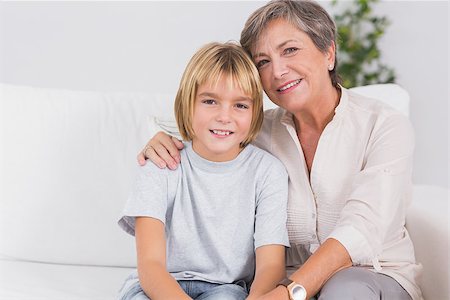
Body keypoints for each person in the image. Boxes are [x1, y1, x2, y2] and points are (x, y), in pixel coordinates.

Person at [138, 1, 423, 300]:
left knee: (345, 292)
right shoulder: (256, 132)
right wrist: (161, 140)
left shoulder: (384, 125)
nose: (278, 71)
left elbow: (362, 228)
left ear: (328, 52)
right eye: (263, 61)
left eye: (290, 50)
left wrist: (288, 293)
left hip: (368, 278)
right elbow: (205, 131)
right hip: (278, 287)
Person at [118, 41, 290, 300]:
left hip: (225, 289)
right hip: (158, 286)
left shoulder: (267, 173)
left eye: (240, 105)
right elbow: (151, 266)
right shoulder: (160, 163)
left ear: (255, 113)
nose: (224, 116)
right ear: (188, 104)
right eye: (210, 101)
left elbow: (270, 266)